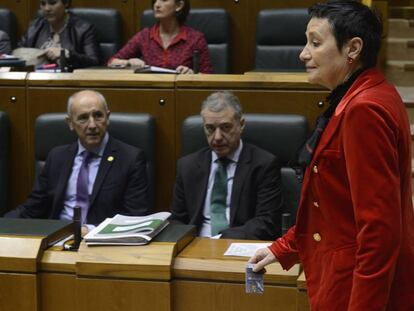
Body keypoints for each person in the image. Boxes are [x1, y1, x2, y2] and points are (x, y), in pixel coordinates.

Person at [248, 1, 414, 310]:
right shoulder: (369, 92)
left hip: (355, 291)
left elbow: (379, 232)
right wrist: (283, 248)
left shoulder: (364, 110)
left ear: (353, 48)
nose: (303, 53)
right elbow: (336, 207)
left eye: (315, 42)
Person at [4, 90, 151, 233]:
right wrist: (4, 224)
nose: (92, 125)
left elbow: (135, 217)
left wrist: (89, 231)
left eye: (98, 116)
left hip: (104, 243)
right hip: (58, 239)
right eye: (83, 118)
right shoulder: (57, 157)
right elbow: (33, 208)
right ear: (70, 123)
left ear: (108, 117)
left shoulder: (130, 158)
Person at [170, 91, 283, 240]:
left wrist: (220, 240)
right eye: (210, 128)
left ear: (241, 125)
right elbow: (177, 220)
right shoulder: (187, 166)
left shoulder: (263, 164)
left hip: (239, 245)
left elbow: (267, 222)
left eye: (225, 127)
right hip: (195, 246)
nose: (217, 137)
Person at [108, 0, 213, 74]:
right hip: (151, 93)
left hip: (182, 95)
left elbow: (208, 76)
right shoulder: (145, 36)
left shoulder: (195, 39)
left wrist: (191, 74)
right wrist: (128, 62)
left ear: (179, 5)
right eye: (155, 1)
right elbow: (112, 62)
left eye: (164, 0)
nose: (157, 5)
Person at [17, 0, 99, 68]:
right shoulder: (34, 27)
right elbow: (18, 55)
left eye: (52, 3)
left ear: (66, 3)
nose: (47, 8)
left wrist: (67, 54)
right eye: (43, 3)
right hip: (37, 80)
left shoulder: (84, 29)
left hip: (70, 81)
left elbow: (94, 61)